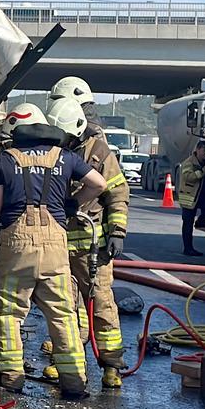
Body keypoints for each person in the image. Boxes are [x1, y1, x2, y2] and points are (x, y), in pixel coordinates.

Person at [0, 112, 106, 399]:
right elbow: (99, 184)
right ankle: (74, 382)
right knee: (63, 314)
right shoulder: (65, 157)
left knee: (8, 312)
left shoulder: (5, 159)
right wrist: (71, 203)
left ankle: (11, 377)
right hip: (55, 245)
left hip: (17, 247)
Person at [48, 93, 130, 389]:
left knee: (102, 306)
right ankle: (69, 366)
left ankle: (111, 366)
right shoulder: (54, 149)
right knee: (65, 308)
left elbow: (117, 194)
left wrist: (117, 233)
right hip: (58, 246)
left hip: (93, 248)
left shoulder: (99, 152)